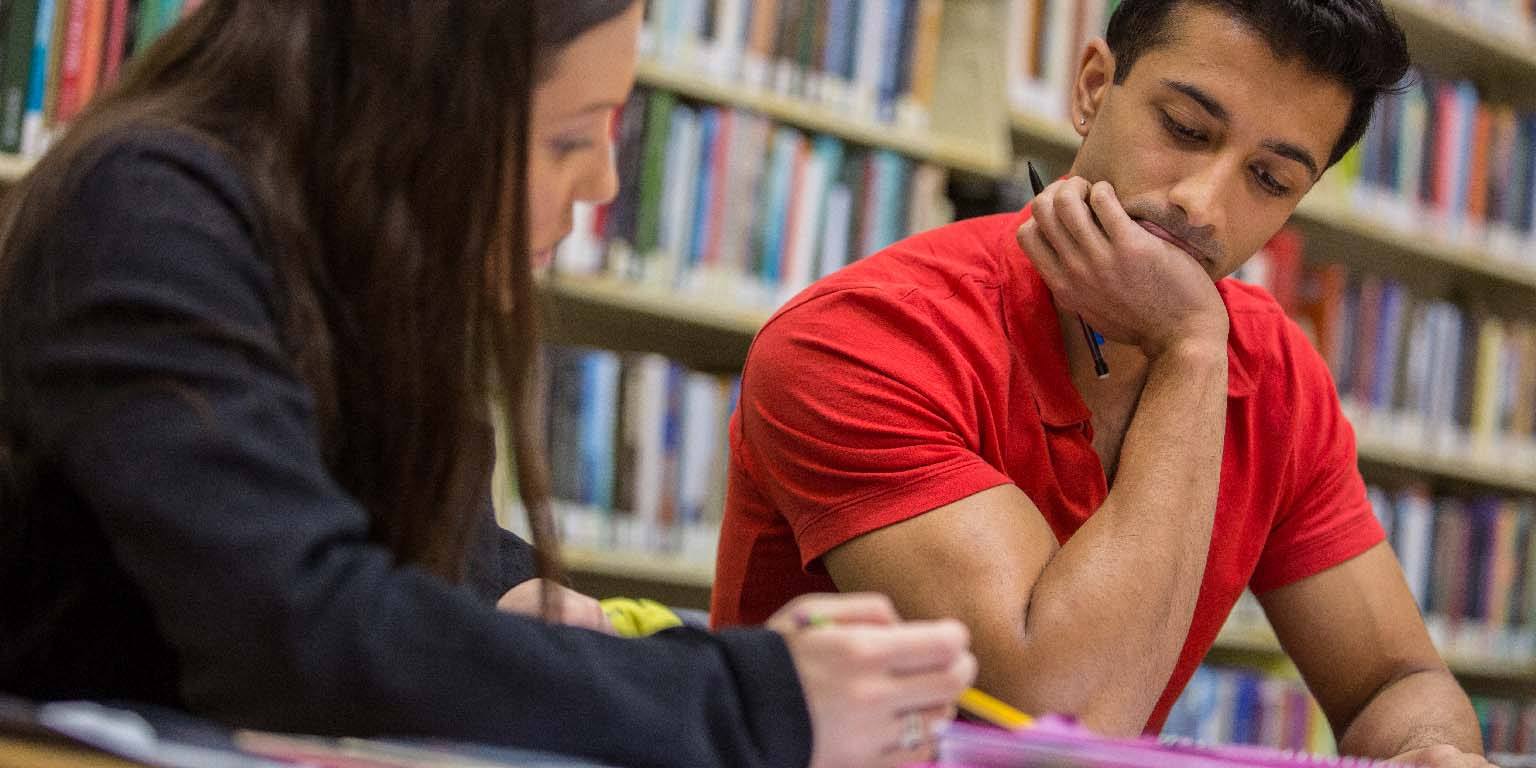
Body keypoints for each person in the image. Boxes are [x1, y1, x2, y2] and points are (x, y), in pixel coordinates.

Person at [0, 3, 977, 767]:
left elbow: (426, 546)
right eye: (568, 139)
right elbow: (298, 629)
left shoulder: (366, 271)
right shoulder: (149, 210)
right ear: (414, 105)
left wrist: (515, 591)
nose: (601, 185)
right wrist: (758, 701)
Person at [712, 2, 1495, 766]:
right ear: (1092, 88)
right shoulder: (859, 338)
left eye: (1269, 177)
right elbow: (1058, 726)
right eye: (1185, 130)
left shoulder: (1279, 370)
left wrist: (1431, 749)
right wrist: (1189, 348)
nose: (1203, 204)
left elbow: (1392, 681)